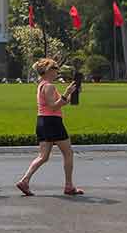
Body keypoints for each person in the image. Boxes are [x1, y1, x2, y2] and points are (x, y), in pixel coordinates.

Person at [16, 59, 84, 196]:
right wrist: (66, 93)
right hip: (52, 121)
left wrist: (72, 93)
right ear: (48, 71)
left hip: (42, 121)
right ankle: (69, 186)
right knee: (68, 153)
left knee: (43, 156)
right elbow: (54, 106)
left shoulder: (42, 85)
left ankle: (25, 180)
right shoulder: (49, 87)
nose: (57, 72)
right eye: (55, 69)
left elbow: (61, 102)